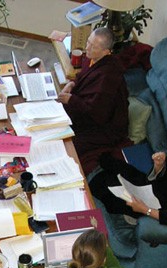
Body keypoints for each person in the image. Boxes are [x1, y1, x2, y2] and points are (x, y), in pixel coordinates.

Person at [90, 136, 167, 229]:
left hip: (160, 205)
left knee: (105, 189)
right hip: (153, 188)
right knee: (115, 169)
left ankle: (132, 214)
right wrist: (159, 166)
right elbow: (161, 175)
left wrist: (146, 210)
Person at [57, 27, 131, 174]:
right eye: (88, 42)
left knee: (67, 143)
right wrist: (72, 84)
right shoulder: (93, 59)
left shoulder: (108, 76)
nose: (87, 48)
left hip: (104, 128)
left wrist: (71, 100)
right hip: (88, 113)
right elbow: (83, 78)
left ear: (106, 51)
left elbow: (98, 113)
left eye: (93, 46)